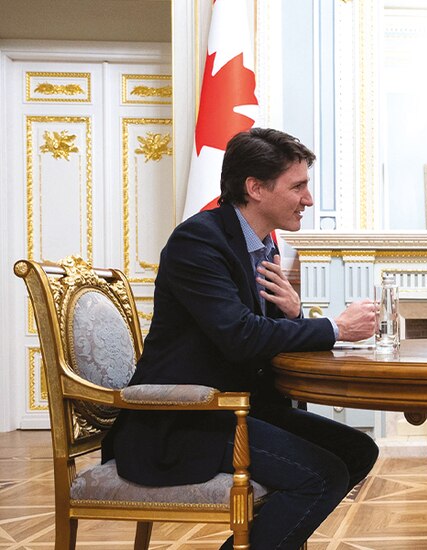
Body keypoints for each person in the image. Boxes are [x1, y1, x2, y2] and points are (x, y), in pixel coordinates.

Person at [105, 128, 380, 549]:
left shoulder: (262, 246)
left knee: (358, 450)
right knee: (322, 476)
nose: (308, 199)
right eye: (299, 186)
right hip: (182, 421)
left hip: (241, 409)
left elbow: (264, 336)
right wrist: (336, 328)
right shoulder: (198, 240)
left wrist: (295, 314)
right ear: (255, 188)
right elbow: (241, 337)